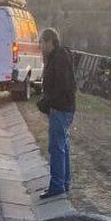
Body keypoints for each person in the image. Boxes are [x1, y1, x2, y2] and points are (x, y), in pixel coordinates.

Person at [36, 28, 76, 200]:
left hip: (60, 108)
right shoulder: (60, 56)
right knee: (63, 146)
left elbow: (61, 85)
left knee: (56, 147)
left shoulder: (58, 58)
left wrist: (47, 101)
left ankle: (57, 185)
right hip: (64, 107)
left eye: (41, 43)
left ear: (49, 42)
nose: (40, 47)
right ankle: (63, 182)